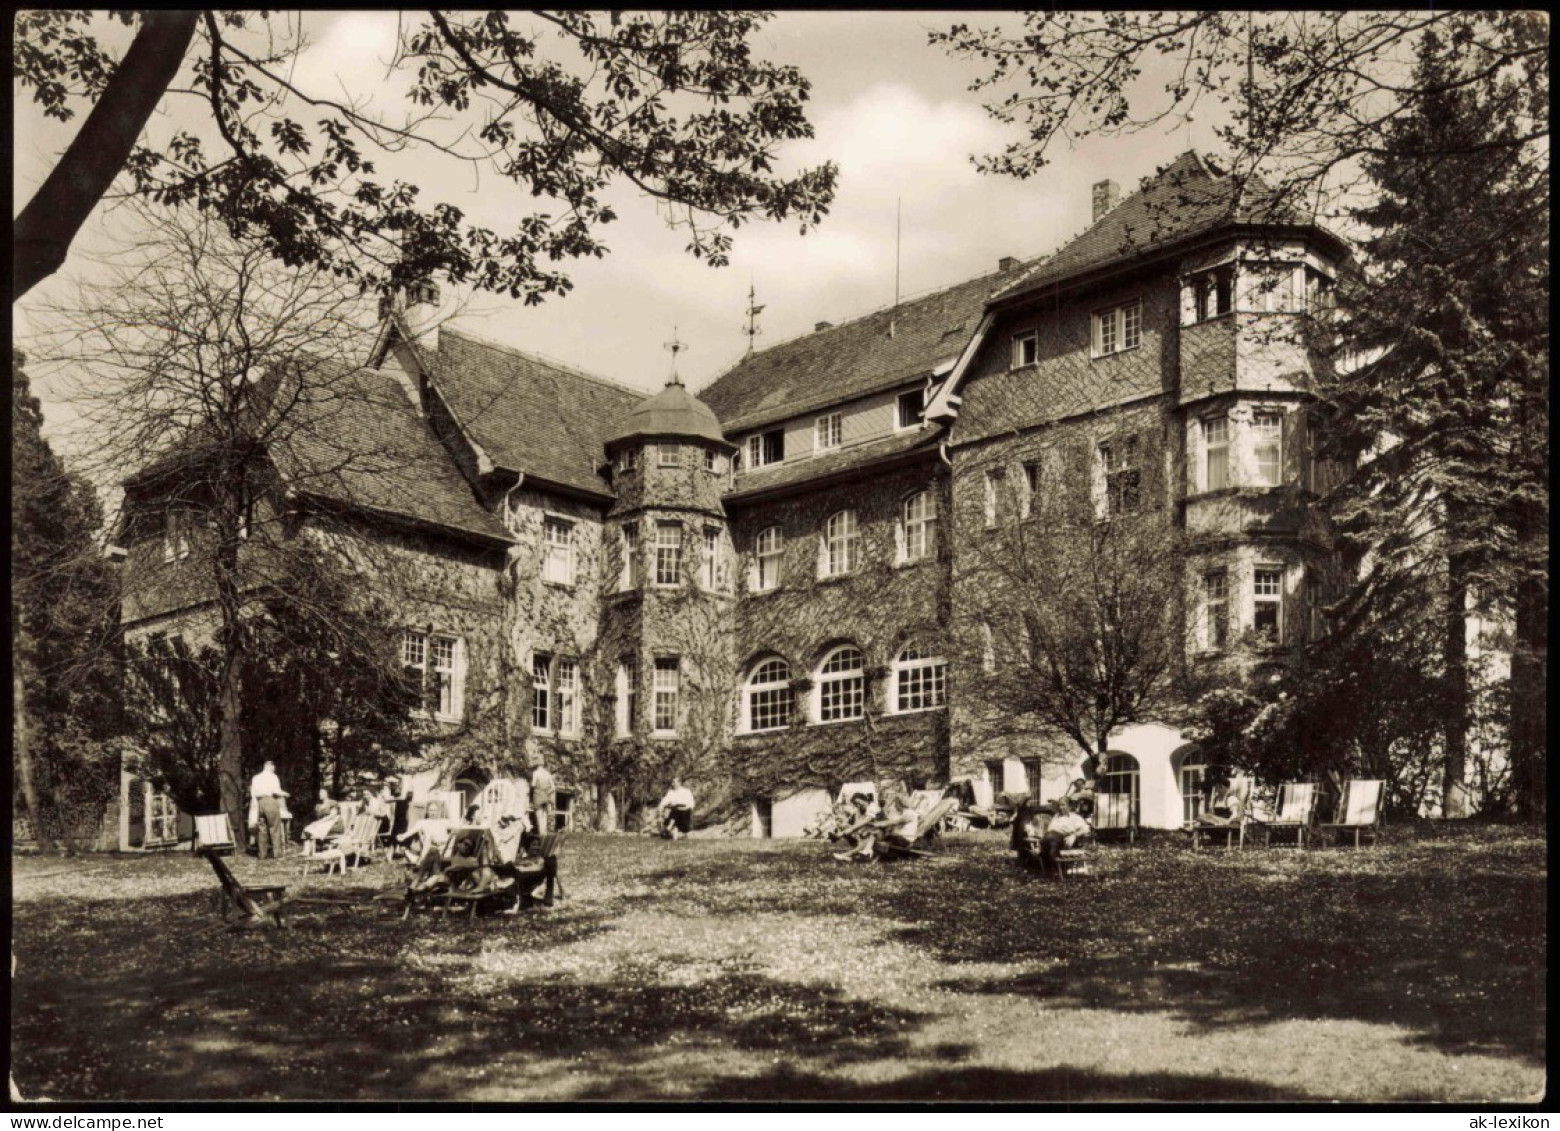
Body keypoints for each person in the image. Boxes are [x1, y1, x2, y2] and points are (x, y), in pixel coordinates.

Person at [1037, 798, 1092, 878]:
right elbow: (1049, 829)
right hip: (1048, 837)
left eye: (1063, 805)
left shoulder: (1074, 817)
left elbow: (1086, 828)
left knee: (1051, 848)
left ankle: (1056, 870)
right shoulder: (1056, 816)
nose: (1060, 807)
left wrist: (1074, 835)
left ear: (1069, 806)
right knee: (1048, 843)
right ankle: (1056, 869)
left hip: (1061, 838)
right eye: (1059, 805)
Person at [249, 760, 288, 860]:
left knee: (262, 829)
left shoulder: (256, 777)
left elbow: (253, 792)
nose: (274, 769)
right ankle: (277, 854)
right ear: (269, 766)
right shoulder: (273, 777)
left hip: (259, 803)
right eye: (273, 767)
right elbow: (276, 791)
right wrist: (284, 794)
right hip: (270, 801)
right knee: (274, 827)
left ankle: (262, 854)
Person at [530, 758, 557, 834]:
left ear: (536, 764)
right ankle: (544, 835)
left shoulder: (536, 773)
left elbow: (533, 785)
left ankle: (541, 837)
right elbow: (553, 788)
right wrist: (547, 792)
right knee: (544, 818)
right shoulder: (547, 773)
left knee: (539, 818)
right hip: (546, 797)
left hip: (537, 797)